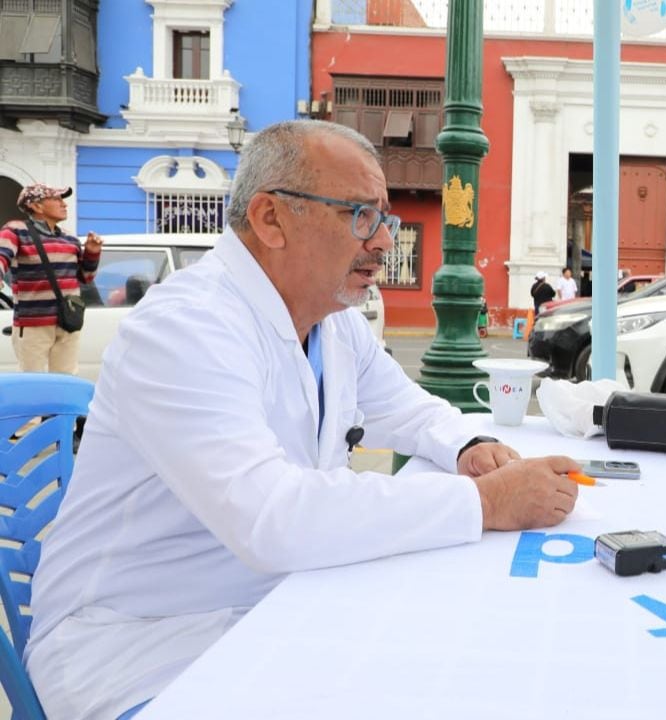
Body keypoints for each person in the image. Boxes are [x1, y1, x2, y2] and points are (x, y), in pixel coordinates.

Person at [26, 120, 581, 720]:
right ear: (271, 219)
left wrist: (470, 444)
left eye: (385, 219)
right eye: (360, 215)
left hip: (276, 607)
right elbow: (271, 516)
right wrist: (485, 502)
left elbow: (405, 407)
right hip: (141, 644)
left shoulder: (332, 322)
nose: (383, 242)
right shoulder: (185, 327)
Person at [0, 182, 101, 374]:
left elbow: (85, 278)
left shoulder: (70, 238)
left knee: (66, 379)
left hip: (68, 321)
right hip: (33, 324)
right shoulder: (16, 230)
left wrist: (92, 253)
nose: (64, 204)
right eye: (56, 199)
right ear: (36, 206)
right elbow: (2, 255)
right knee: (33, 379)